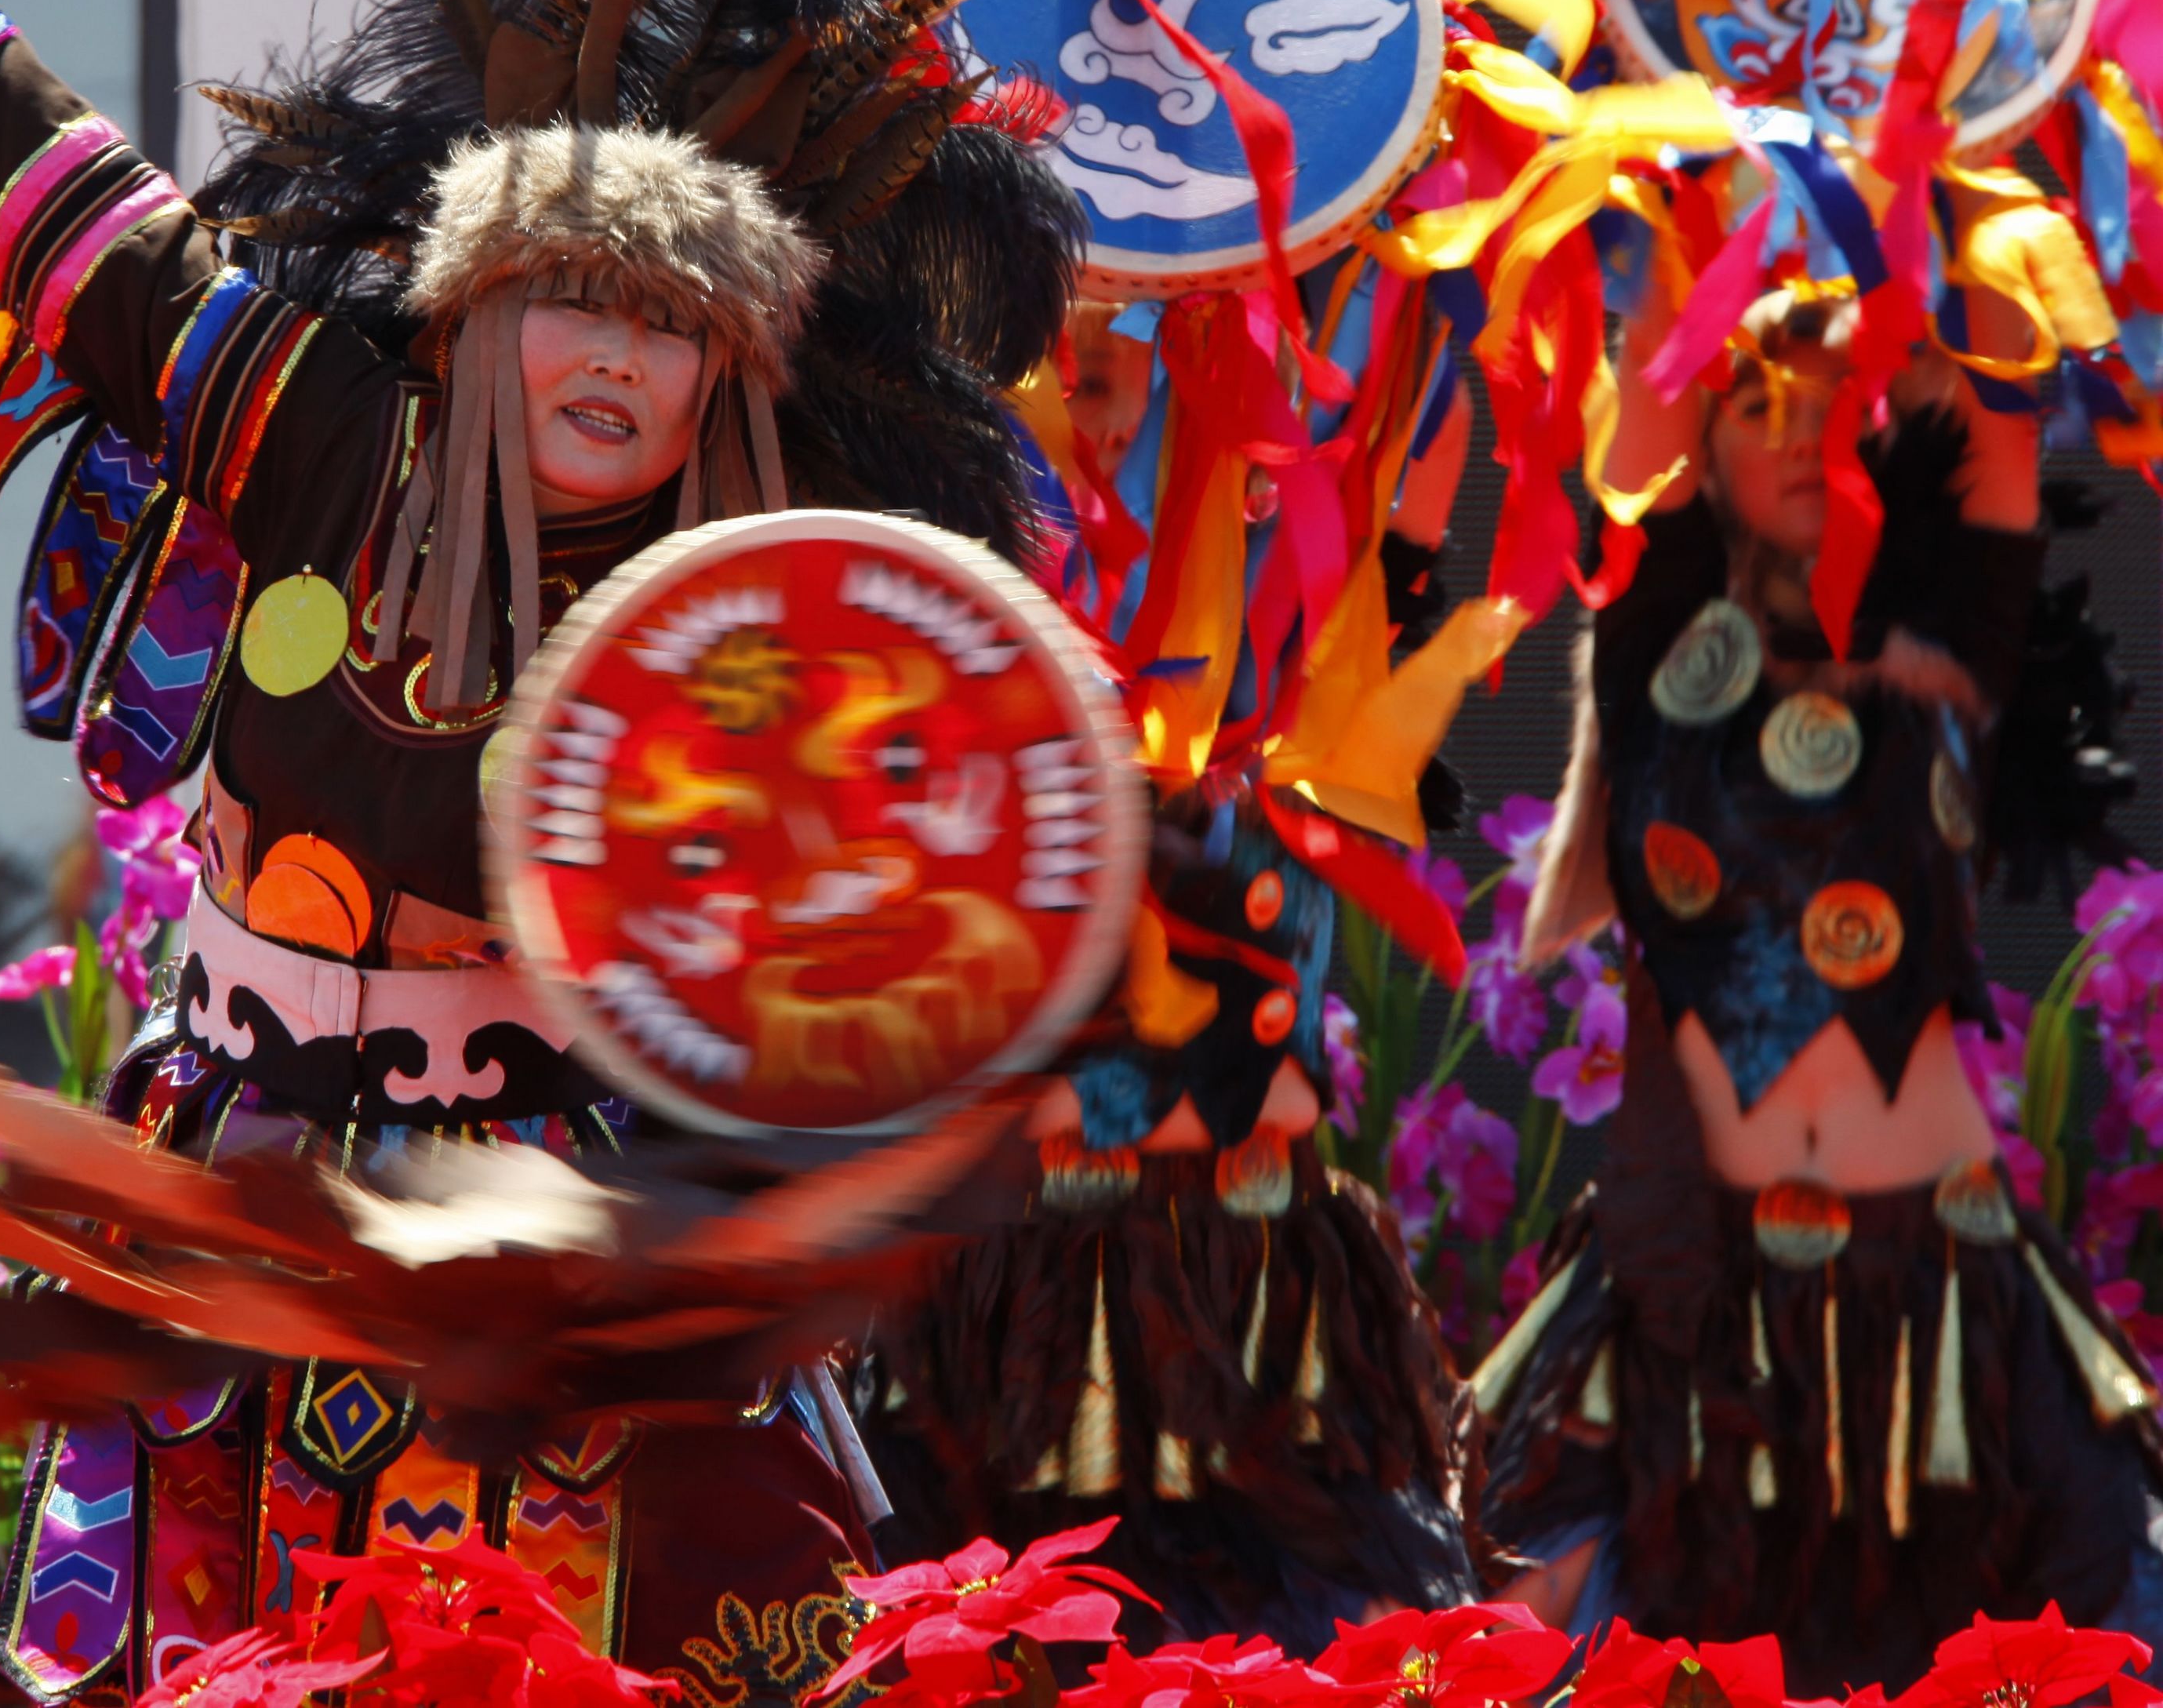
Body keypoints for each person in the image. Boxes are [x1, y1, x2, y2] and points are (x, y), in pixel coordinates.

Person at [0, 0, 1101, 1690]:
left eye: (666, 323)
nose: (611, 352)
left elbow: (896, 927)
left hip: (560, 1231)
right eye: (566, 297)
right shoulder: (323, 430)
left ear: (726, 367)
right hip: (238, 1176)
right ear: (472, 309)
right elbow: (92, 237)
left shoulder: (758, 615)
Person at [1476, 278, 2163, 1684]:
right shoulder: (1659, 648)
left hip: (1957, 1315)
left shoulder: (1948, 652)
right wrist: (1694, 148)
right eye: (1757, 404)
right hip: (1697, 1317)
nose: (1796, 434)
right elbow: (1644, 410)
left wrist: (1937, 141)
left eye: (1829, 404)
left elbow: (2005, 397)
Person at [878, 277, 1490, 1651]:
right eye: (1055, 282)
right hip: (994, 1323)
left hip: (1263, 1313)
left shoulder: (1310, 622)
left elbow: (1417, 390)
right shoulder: (920, 631)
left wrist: (1404, 213)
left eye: (1133, 297)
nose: (1088, 324)